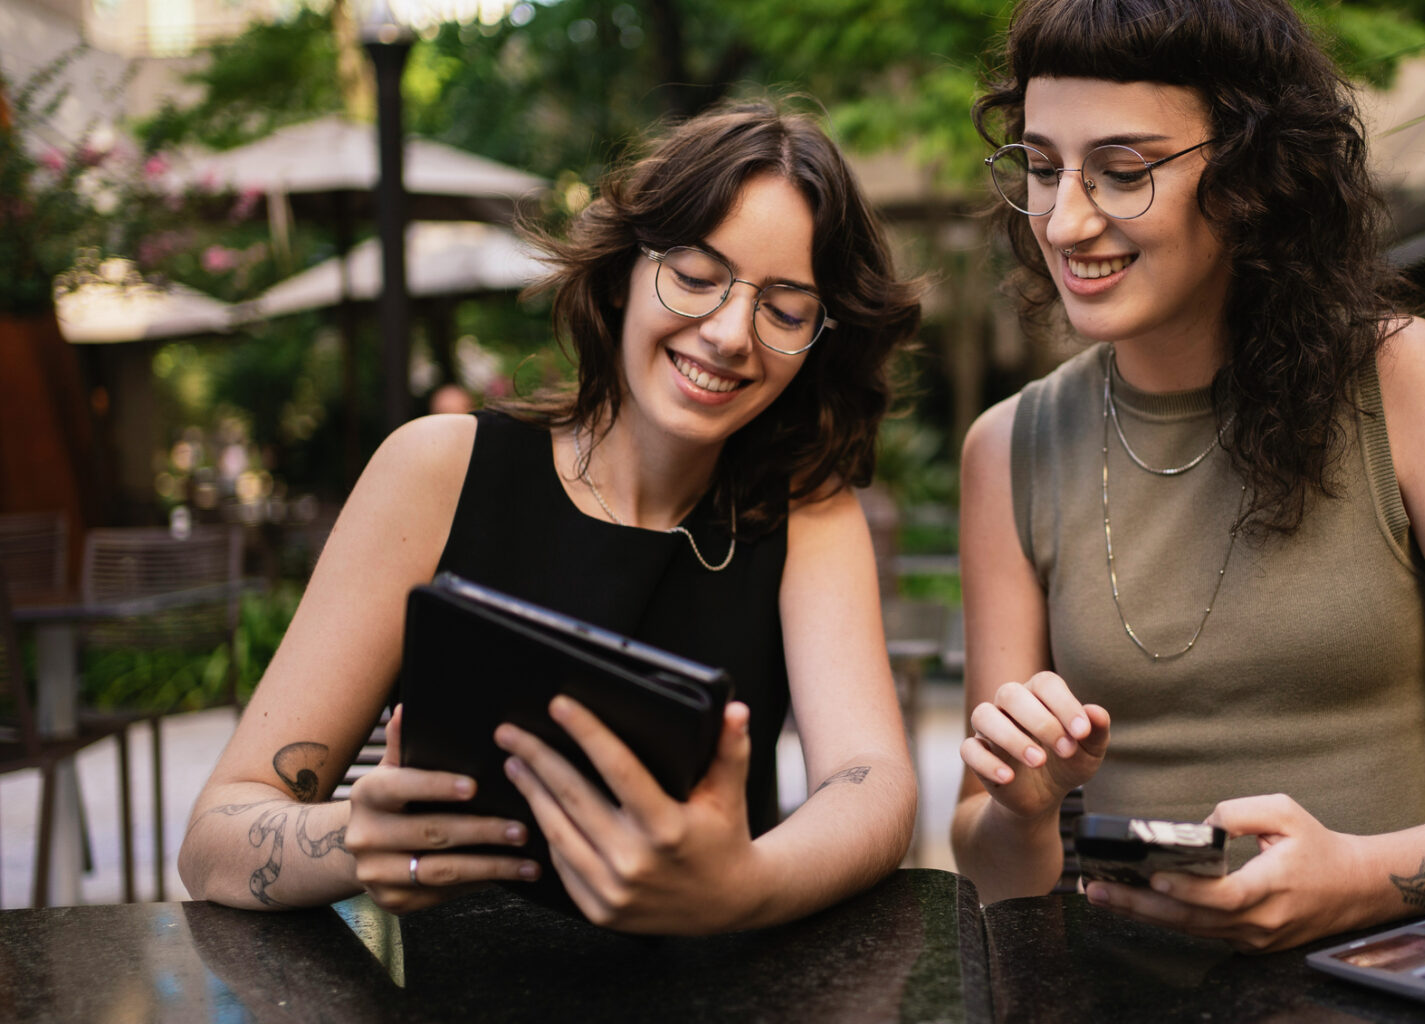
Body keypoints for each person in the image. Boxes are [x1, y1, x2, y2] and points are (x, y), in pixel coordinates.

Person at [950, 0, 1425, 951]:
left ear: (1251, 174)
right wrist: (1023, 811)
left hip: (1378, 976)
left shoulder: (1399, 378)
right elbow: (987, 866)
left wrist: (1361, 881)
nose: (1064, 220)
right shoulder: (1009, 447)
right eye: (1040, 168)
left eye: (1121, 173)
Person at [179, 100, 923, 933]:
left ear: (821, 338)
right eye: (696, 275)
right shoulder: (438, 469)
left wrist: (745, 884)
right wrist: (355, 838)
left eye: (784, 310)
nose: (727, 333)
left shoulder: (804, 509)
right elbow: (215, 838)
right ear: (622, 273)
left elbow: (874, 783)